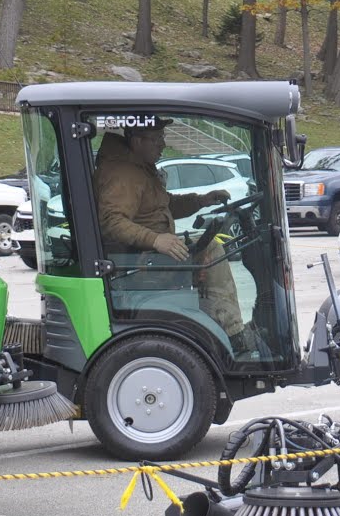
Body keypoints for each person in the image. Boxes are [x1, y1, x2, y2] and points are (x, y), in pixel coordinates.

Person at [93, 118, 253, 353]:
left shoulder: (138, 168)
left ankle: (215, 327)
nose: (163, 145)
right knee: (212, 250)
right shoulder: (123, 174)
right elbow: (111, 222)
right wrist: (156, 240)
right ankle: (233, 333)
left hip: (149, 258)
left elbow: (164, 206)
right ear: (137, 141)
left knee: (204, 241)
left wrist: (202, 200)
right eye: (157, 139)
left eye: (163, 138)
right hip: (140, 265)